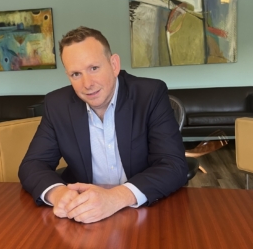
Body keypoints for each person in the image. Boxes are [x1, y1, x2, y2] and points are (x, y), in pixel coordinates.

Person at [19, 26, 188, 224]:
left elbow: (173, 165)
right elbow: (32, 165)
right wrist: (59, 194)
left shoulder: (150, 94)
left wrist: (115, 197)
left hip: (143, 212)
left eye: (94, 68)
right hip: (83, 216)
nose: (87, 84)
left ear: (114, 64)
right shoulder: (57, 105)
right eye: (76, 74)